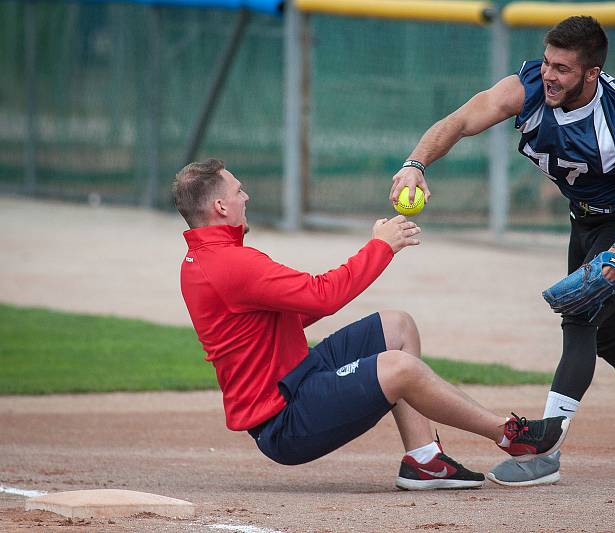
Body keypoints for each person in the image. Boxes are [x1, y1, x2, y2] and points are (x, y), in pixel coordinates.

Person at [389, 16, 615, 486]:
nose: (549, 74)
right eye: (547, 62)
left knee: (580, 322)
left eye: (563, 68)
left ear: (591, 74)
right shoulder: (526, 87)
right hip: (584, 222)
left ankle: (541, 451)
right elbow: (462, 120)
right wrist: (415, 163)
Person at [173, 158, 568, 491]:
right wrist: (381, 246)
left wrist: (375, 252)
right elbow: (322, 296)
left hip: (296, 379)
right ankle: (511, 435)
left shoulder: (207, 259)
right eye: (238, 191)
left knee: (396, 326)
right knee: (400, 369)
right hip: (284, 420)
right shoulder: (230, 263)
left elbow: (296, 311)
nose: (246, 196)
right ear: (221, 206)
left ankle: (424, 459)